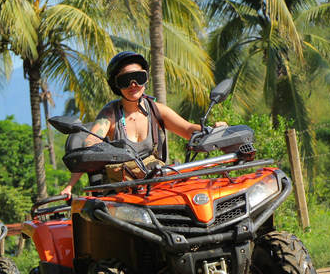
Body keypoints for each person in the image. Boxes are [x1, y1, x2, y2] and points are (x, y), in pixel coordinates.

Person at [60, 51, 227, 197]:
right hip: (121, 192)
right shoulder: (110, 113)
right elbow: (91, 142)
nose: (134, 84)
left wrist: (213, 129)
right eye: (126, 80)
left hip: (156, 186)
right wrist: (69, 186)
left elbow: (188, 129)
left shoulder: (156, 110)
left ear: (146, 79)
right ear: (116, 85)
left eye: (139, 77)